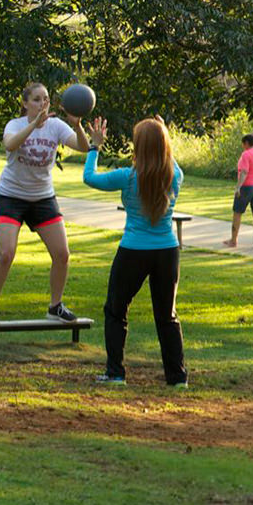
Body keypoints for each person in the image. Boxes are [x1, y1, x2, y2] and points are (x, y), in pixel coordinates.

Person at [83, 117, 187, 387]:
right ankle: (177, 379)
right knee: (167, 316)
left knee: (116, 310)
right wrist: (163, 132)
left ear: (138, 147)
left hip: (133, 251)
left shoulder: (127, 177)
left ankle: (115, 373)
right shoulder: (175, 175)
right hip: (167, 251)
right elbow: (170, 159)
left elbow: (89, 178)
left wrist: (95, 146)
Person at [0, 82, 89, 325]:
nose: (43, 104)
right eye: (37, 99)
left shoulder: (56, 126)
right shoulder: (15, 125)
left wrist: (78, 126)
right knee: (6, 253)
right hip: (11, 196)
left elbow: (83, 147)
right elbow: (9, 144)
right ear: (25, 103)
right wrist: (33, 125)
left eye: (46, 99)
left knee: (62, 254)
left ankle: (55, 306)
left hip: (42, 198)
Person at [224, 133, 253, 250]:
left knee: (237, 212)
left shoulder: (246, 154)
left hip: (247, 186)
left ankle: (233, 240)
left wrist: (238, 187)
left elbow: (244, 172)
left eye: (243, 144)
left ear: (246, 143)